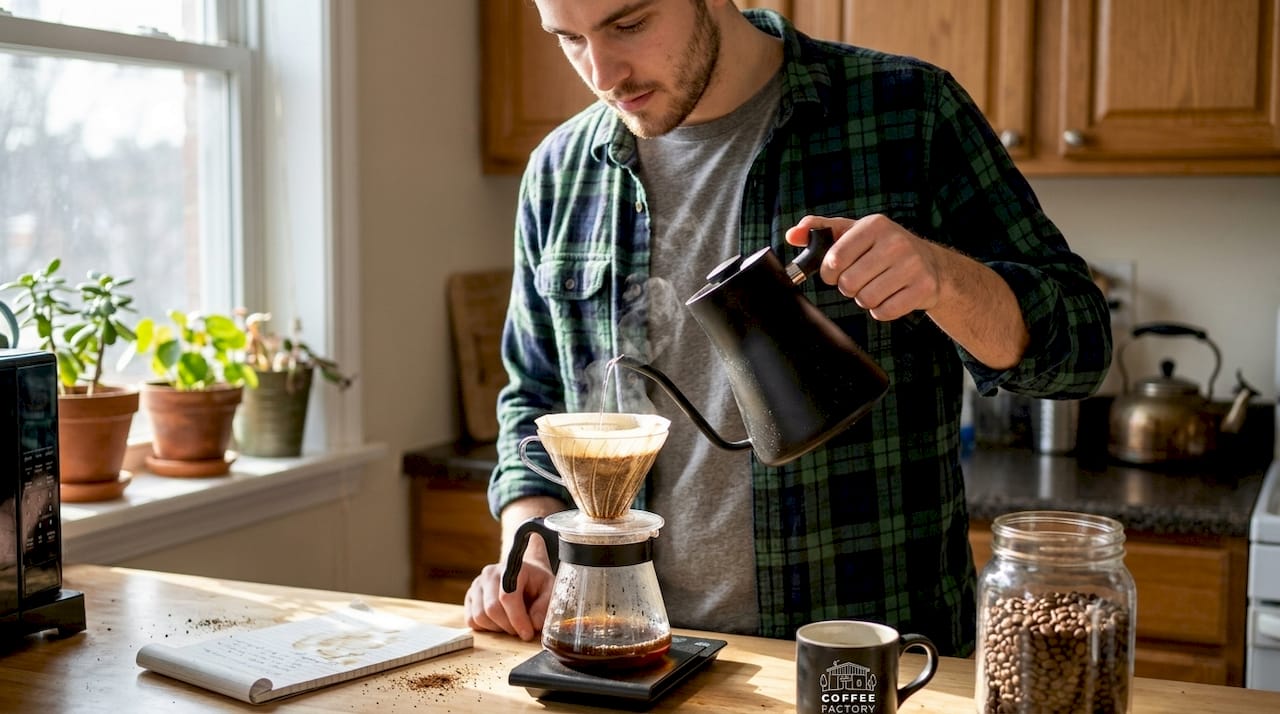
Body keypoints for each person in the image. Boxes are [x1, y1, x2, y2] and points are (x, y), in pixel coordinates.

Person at [463, 0, 1112, 657]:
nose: (602, 73)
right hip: (636, 651)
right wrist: (533, 548)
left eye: (629, 24)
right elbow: (537, 402)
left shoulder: (907, 113)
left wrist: (940, 278)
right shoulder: (559, 173)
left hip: (866, 659)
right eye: (569, 39)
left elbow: (1080, 351)